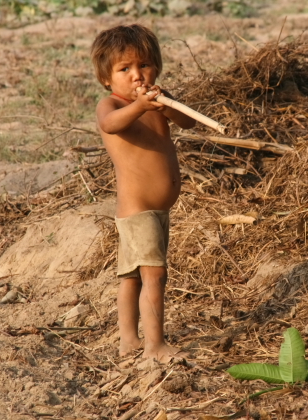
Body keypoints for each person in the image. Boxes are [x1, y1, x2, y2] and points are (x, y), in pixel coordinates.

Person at [90, 24, 195, 363]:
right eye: (125, 69)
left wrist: (165, 106)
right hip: (138, 211)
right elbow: (110, 124)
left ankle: (129, 341)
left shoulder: (157, 101)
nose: (137, 76)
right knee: (154, 274)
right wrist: (138, 106)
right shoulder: (112, 105)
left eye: (144, 65)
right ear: (107, 78)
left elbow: (188, 122)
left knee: (132, 277)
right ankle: (155, 346)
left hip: (157, 211)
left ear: (157, 67)